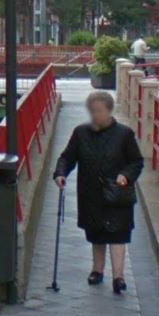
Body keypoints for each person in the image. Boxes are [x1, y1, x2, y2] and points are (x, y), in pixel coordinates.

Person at [53, 91, 144, 295]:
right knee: (96, 233)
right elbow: (67, 157)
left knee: (118, 234)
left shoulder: (124, 134)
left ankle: (118, 276)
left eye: (98, 111)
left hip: (117, 193)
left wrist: (126, 175)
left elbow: (136, 161)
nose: (94, 115)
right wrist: (60, 173)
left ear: (109, 111)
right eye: (92, 111)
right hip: (91, 192)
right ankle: (97, 270)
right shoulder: (80, 133)